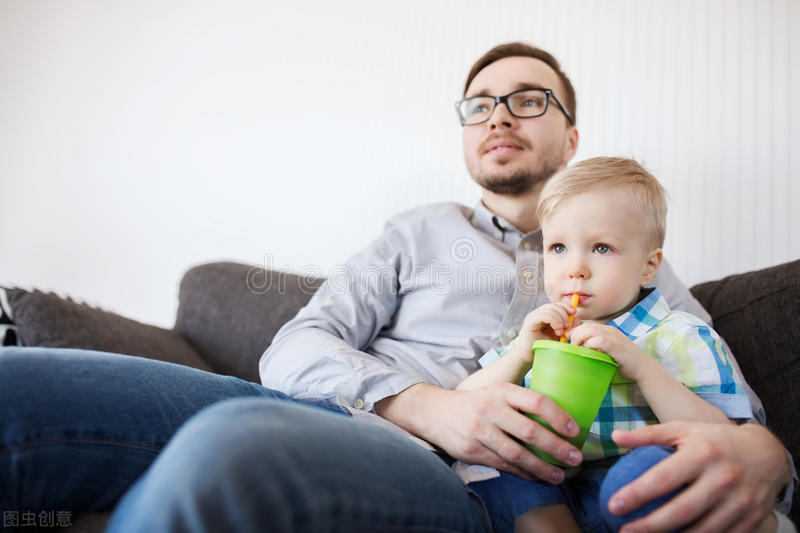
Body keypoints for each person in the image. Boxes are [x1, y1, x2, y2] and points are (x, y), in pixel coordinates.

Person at [0, 42, 794, 533]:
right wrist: (428, 404)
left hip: (469, 482)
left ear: (572, 135)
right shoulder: (414, 231)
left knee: (231, 451)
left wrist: (769, 455)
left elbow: (731, 408)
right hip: (343, 411)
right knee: (18, 389)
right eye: (480, 103)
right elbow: (294, 348)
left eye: (528, 98)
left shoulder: (630, 258)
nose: (499, 115)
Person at [457, 156, 756, 532]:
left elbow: (724, 435)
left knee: (643, 470)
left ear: (649, 266)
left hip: (633, 486)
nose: (575, 268)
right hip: (554, 485)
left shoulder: (679, 335)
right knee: (493, 466)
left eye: (601, 248)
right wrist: (520, 357)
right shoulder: (542, 334)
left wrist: (643, 368)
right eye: (559, 248)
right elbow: (464, 398)